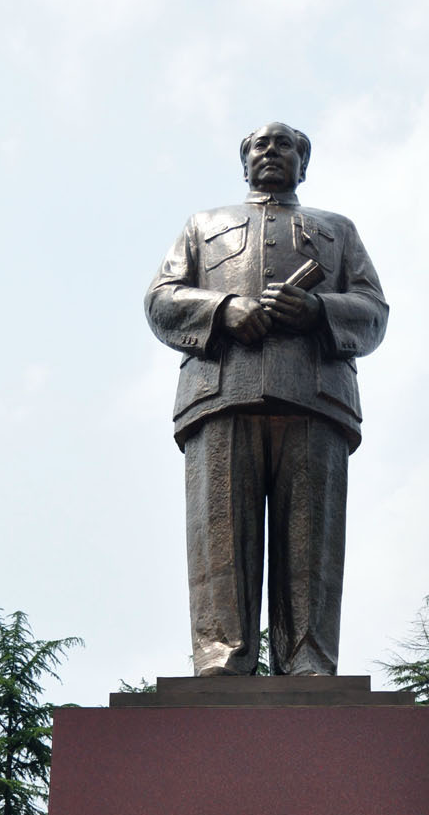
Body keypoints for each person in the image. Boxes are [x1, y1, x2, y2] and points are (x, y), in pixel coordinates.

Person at [145, 122, 388, 676]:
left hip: (314, 396)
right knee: (219, 539)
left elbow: (374, 312)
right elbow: (161, 298)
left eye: (287, 146)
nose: (273, 152)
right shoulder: (201, 226)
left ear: (304, 164)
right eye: (261, 144)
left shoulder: (338, 231)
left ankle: (308, 661)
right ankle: (221, 659)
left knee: (312, 545)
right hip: (221, 392)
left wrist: (320, 312)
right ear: (245, 160)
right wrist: (224, 309)